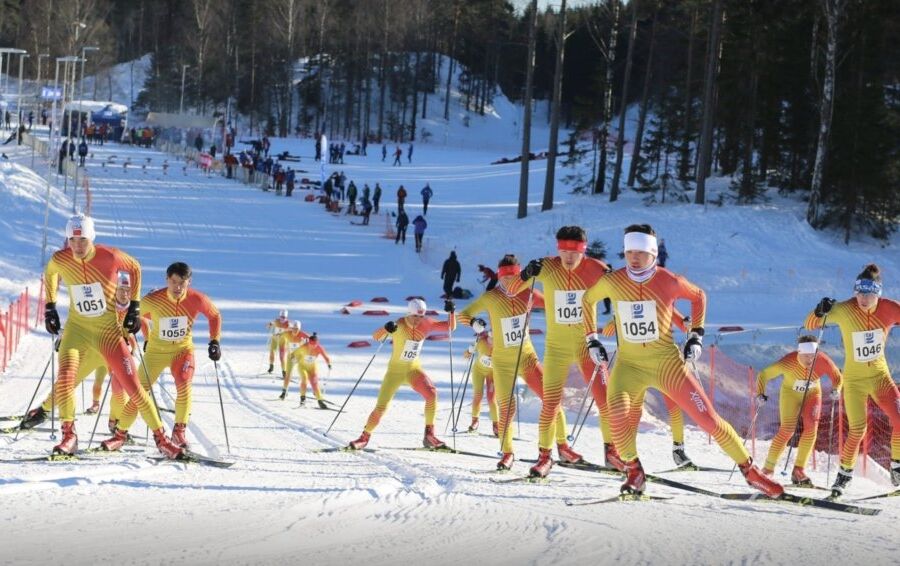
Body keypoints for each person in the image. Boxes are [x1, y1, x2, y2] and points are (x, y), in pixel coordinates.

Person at [581, 223, 783, 497]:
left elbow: (699, 297)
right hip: (629, 366)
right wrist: (592, 338)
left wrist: (696, 335)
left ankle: (750, 471)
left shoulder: (668, 280)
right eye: (629, 252)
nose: (634, 258)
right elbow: (588, 300)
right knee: (616, 414)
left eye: (640, 252)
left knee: (708, 420)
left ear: (653, 253)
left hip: (667, 365)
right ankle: (634, 470)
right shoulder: (613, 281)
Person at [40, 214, 183, 459]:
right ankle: (69, 436)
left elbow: (135, 268)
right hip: (77, 330)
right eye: (73, 240)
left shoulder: (111, 256)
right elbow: (50, 272)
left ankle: (162, 439)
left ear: (91, 238)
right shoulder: (60, 259)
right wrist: (50, 306)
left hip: (107, 332)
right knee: (65, 378)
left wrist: (136, 306)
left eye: (83, 240)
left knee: (134, 388)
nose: (77, 246)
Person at [457, 255, 578, 470]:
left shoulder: (529, 293)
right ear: (499, 277)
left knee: (551, 399)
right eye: (505, 278)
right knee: (506, 408)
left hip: (527, 358)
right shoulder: (491, 297)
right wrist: (474, 322)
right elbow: (463, 315)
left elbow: (557, 302)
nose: (510, 283)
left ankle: (563, 445)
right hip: (502, 362)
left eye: (514, 277)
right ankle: (507, 453)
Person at [102, 261, 222, 451]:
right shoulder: (154, 299)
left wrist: (214, 341)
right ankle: (120, 434)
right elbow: (134, 312)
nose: (177, 287)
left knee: (184, 384)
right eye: (174, 282)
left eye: (182, 282)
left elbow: (214, 315)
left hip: (182, 351)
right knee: (138, 393)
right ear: (167, 280)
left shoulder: (197, 299)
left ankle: (179, 431)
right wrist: (131, 325)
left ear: (189, 282)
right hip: (156, 353)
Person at [805, 264, 900, 498]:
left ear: (877, 293)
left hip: (880, 378)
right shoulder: (845, 309)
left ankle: (897, 466)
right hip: (855, 381)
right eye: (859, 293)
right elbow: (810, 325)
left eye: (868, 294)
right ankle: (843, 477)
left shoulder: (890, 308)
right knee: (857, 429)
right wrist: (819, 311)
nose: (863, 299)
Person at [22, 275, 136, 434]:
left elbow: (137, 329)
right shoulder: (101, 303)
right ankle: (43, 410)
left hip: (113, 355)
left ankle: (115, 423)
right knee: (68, 383)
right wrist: (65, 336)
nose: (124, 294)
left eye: (128, 290)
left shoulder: (133, 309)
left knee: (120, 390)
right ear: (113, 290)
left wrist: (134, 345)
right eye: (121, 290)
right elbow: (80, 322)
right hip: (93, 352)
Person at [348, 299, 456, 450]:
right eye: (415, 317)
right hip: (395, 373)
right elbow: (376, 337)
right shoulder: (399, 324)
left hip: (413, 370)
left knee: (431, 394)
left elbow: (450, 327)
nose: (418, 320)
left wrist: (451, 312)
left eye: (421, 317)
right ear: (408, 314)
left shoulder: (427, 323)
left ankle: (429, 435)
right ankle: (364, 437)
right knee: (381, 407)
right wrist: (386, 329)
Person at [755, 335, 842, 485]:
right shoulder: (788, 362)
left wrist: (836, 389)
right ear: (799, 353)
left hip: (813, 394)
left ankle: (799, 470)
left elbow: (837, 376)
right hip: (790, 394)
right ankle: (768, 470)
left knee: (811, 428)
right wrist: (760, 393)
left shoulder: (822, 360)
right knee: (787, 430)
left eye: (812, 356)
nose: (810, 360)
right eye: (806, 356)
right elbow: (764, 374)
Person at [463, 323, 498, 436]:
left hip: (492, 374)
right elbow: (466, 355)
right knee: (478, 395)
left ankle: (496, 425)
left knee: (491, 398)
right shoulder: (481, 342)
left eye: (494, 339)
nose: (491, 341)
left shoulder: (501, 347)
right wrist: (470, 350)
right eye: (490, 338)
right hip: (478, 371)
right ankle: (474, 421)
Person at [286, 333, 332, 409]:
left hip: (312, 368)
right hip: (302, 367)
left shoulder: (319, 348)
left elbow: (325, 356)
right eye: (311, 344)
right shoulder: (304, 347)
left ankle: (320, 401)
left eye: (314, 344)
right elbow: (293, 353)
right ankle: (302, 399)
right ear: (309, 342)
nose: (312, 346)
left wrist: (329, 364)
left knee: (314, 383)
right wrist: (293, 358)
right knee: (304, 380)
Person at [280, 320, 310, 399]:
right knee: (288, 374)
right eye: (293, 329)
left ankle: (304, 394)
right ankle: (284, 391)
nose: (295, 331)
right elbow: (280, 333)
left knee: (305, 375)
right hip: (291, 357)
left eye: (297, 329)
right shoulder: (287, 333)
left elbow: (312, 340)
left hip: (300, 357)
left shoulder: (303, 335)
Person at [266, 310, 291, 376]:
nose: (282, 319)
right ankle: (271, 366)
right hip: (275, 339)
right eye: (281, 317)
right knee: (272, 353)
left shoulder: (288, 324)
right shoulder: (276, 321)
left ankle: (284, 371)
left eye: (284, 317)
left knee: (282, 357)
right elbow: (269, 324)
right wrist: (269, 325)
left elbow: (291, 331)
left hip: (283, 341)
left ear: (286, 317)